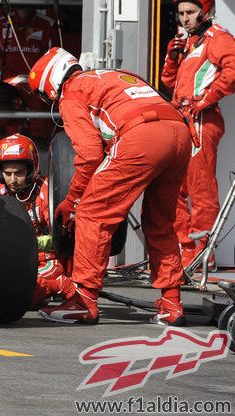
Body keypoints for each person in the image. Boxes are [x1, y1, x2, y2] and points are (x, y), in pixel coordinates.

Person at [30, 48, 190, 325]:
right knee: (160, 222)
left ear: (50, 84)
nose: (50, 102)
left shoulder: (72, 92)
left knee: (92, 213)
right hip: (179, 132)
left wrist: (73, 199)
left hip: (141, 135)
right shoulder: (116, 75)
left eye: (44, 96)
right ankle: (172, 303)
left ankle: (84, 300)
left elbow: (90, 154)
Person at [161, 0, 235, 270]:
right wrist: (170, 59)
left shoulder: (218, 38)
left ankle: (206, 254)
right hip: (181, 118)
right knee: (174, 188)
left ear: (205, 11)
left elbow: (232, 71)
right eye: (181, 13)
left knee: (200, 189)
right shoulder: (187, 42)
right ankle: (185, 249)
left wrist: (206, 99)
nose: (185, 19)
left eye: (190, 12)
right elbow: (170, 84)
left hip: (202, 121)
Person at [0, 134, 71, 307]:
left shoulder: (47, 190)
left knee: (21, 288)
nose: (12, 180)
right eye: (8, 173)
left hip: (48, 261)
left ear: (31, 169)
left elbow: (60, 236)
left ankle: (59, 285)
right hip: (14, 260)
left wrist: (30, 243)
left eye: (19, 173)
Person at [0, 6, 59, 81]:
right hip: (8, 80)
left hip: (35, 81)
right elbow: (0, 56)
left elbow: (53, 59)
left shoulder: (48, 24)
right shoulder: (1, 23)